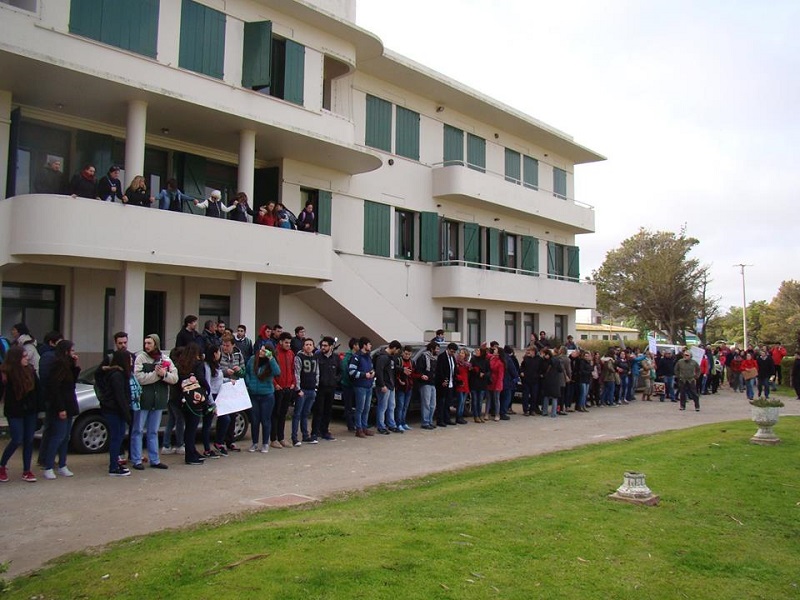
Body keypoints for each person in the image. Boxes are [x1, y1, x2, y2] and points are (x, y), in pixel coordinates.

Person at [132, 334, 177, 470]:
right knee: (138, 430)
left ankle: (155, 459)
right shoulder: (141, 358)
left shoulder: (165, 359)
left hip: (159, 401)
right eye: (145, 343)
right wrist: (156, 375)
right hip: (143, 400)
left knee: (153, 431)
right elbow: (139, 378)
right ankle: (136, 459)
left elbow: (174, 378)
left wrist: (164, 374)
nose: (146, 346)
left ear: (156, 344)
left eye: (149, 343)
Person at [0, 347, 40, 483]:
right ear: (16, 358)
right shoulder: (6, 373)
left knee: (28, 439)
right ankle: (2, 465)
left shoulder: (31, 371)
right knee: (17, 438)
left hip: (30, 411)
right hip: (14, 411)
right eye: (24, 356)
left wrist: (38, 407)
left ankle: (27, 470)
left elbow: (38, 390)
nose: (27, 358)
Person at [41, 340, 80, 480]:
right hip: (61, 405)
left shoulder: (67, 365)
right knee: (57, 436)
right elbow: (55, 388)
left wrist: (75, 366)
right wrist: (60, 408)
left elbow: (72, 382)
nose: (74, 353)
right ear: (66, 351)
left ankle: (62, 464)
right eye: (72, 350)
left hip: (68, 404)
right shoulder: (58, 365)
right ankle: (48, 466)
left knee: (65, 437)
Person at [99, 350, 134, 476]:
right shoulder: (117, 376)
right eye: (129, 359)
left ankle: (115, 463)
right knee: (116, 437)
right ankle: (113, 467)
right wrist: (127, 415)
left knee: (118, 436)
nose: (131, 361)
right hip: (114, 410)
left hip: (115, 410)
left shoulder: (120, 374)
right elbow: (120, 397)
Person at [173, 344, 209, 465]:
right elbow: (201, 379)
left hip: (183, 399)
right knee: (192, 428)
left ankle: (192, 451)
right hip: (195, 399)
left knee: (188, 427)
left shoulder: (180, 365)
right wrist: (206, 389)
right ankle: (190, 455)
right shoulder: (198, 364)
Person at [244, 344, 280, 453]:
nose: (261, 351)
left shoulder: (271, 362)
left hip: (267, 395)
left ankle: (265, 443)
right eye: (261, 349)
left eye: (264, 350)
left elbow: (277, 372)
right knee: (255, 420)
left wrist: (271, 358)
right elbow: (247, 373)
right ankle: (254, 443)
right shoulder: (252, 359)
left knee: (265, 420)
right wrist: (249, 384)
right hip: (254, 394)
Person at [271, 332, 297, 448]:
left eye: (289, 343)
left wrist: (293, 383)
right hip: (278, 388)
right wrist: (275, 384)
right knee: (275, 413)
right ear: (280, 342)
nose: (288, 345)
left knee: (283, 413)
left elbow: (293, 370)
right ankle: (273, 438)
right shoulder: (274, 353)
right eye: (286, 342)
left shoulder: (291, 353)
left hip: (288, 387)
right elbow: (270, 370)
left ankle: (281, 437)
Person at [312, 336, 340, 441]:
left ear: (331, 346)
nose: (323, 347)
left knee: (328, 411)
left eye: (325, 345)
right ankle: (315, 432)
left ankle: (325, 431)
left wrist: (335, 380)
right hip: (320, 388)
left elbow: (341, 371)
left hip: (331, 388)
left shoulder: (336, 358)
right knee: (318, 410)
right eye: (322, 345)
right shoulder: (317, 356)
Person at [292, 338, 319, 446]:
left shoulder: (315, 358)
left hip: (312, 389)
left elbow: (317, 372)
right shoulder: (299, 357)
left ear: (313, 346)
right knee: (297, 414)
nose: (308, 346)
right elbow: (296, 373)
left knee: (306, 414)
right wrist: (298, 389)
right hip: (302, 390)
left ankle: (305, 435)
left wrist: (316, 387)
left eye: (310, 344)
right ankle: (294, 437)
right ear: (303, 346)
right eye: (306, 344)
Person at [349, 337, 376, 438]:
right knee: (360, 408)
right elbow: (351, 371)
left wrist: (373, 372)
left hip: (368, 385)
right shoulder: (356, 357)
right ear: (364, 345)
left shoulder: (368, 357)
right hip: (360, 386)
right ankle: (358, 428)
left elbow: (371, 368)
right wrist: (364, 375)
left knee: (366, 408)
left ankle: (364, 427)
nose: (370, 346)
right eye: (369, 344)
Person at [201, 344, 223, 459]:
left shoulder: (217, 365)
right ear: (215, 353)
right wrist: (211, 402)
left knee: (225, 419)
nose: (220, 354)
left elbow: (219, 380)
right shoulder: (207, 366)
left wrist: (230, 380)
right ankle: (207, 449)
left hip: (219, 395)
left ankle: (218, 442)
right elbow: (208, 384)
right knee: (207, 423)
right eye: (219, 352)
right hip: (211, 397)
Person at [374, 340, 401, 434]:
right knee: (382, 407)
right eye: (397, 350)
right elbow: (379, 371)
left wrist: (402, 369)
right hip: (385, 385)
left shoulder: (390, 357)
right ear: (394, 348)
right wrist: (382, 385)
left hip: (390, 385)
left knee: (391, 406)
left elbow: (392, 369)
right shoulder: (383, 357)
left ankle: (391, 424)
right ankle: (381, 426)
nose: (397, 352)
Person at [415, 341, 438, 430]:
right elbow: (418, 370)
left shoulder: (435, 358)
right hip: (425, 383)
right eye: (437, 349)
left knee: (433, 404)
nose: (438, 351)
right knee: (426, 403)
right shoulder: (423, 357)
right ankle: (425, 422)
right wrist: (422, 375)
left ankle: (430, 421)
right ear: (432, 349)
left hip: (433, 383)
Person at [435, 342, 458, 427]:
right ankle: (440, 420)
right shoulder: (442, 357)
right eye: (451, 351)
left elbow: (453, 369)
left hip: (451, 383)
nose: (452, 353)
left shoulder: (453, 358)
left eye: (454, 352)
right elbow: (440, 370)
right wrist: (443, 380)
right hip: (443, 383)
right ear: (447, 349)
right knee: (441, 402)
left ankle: (447, 418)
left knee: (448, 403)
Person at [340, 338, 359, 432]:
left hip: (354, 384)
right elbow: (344, 370)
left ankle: (355, 423)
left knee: (355, 405)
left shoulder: (356, 356)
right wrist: (350, 380)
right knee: (349, 406)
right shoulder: (348, 356)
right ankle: (350, 425)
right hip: (347, 384)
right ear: (354, 345)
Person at [394, 345, 415, 430]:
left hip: (409, 387)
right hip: (400, 387)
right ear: (402, 352)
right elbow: (394, 372)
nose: (407, 355)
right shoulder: (398, 361)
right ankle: (398, 423)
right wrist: (398, 380)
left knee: (405, 406)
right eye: (406, 354)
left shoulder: (412, 362)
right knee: (400, 406)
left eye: (409, 354)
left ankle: (403, 422)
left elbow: (413, 373)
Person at [468, 346, 490, 422]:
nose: (477, 352)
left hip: (482, 383)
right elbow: (470, 370)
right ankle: (475, 415)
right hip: (474, 383)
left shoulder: (486, 361)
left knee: (480, 401)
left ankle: (479, 415)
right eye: (476, 351)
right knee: (474, 400)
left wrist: (484, 374)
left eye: (478, 351)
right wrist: (477, 373)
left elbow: (489, 372)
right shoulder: (473, 359)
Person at [540, 349, 563, 418]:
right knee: (554, 397)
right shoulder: (556, 360)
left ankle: (544, 411)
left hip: (547, 381)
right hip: (555, 381)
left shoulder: (544, 361)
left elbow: (542, 370)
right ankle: (553, 413)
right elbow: (560, 370)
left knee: (546, 397)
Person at [487, 345, 505, 421]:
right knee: (488, 398)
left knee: (496, 399)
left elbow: (501, 375)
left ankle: (497, 414)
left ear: (498, 353)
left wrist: (498, 385)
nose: (494, 351)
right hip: (490, 381)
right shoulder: (492, 358)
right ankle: (486, 413)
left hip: (497, 382)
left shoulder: (500, 363)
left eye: (495, 350)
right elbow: (487, 354)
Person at [454, 347, 471, 424]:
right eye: (460, 353)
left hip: (466, 383)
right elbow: (455, 373)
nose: (461, 354)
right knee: (460, 401)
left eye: (463, 353)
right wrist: (459, 379)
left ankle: (461, 416)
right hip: (460, 383)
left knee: (463, 402)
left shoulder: (467, 364)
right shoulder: (456, 363)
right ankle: (458, 416)